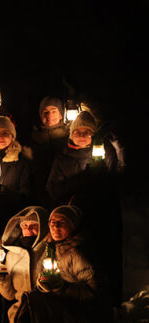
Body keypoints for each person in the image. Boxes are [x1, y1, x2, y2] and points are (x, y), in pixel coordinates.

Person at [14, 205, 112, 323]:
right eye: (52, 222)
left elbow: (96, 293)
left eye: (62, 222)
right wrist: (43, 284)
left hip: (85, 316)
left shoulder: (78, 253)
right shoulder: (52, 249)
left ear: (73, 226)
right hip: (66, 309)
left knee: (45, 302)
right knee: (34, 298)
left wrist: (62, 288)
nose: (55, 226)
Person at [46, 110, 122, 307]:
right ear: (71, 134)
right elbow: (53, 189)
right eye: (77, 132)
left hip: (101, 214)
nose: (82, 135)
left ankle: (111, 303)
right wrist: (82, 179)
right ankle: (78, 302)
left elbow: (116, 177)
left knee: (105, 258)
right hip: (74, 220)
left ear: (94, 135)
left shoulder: (104, 152)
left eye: (87, 132)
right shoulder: (62, 159)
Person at [0, 206, 49, 323]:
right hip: (20, 311)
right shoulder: (13, 255)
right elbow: (9, 295)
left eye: (33, 226)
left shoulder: (50, 250)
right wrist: (1, 280)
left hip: (46, 310)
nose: (28, 230)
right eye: (25, 226)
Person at [29, 97, 68, 204]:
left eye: (54, 111)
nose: (49, 116)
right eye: (46, 112)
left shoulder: (69, 136)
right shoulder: (33, 137)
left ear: (61, 114)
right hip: (39, 190)